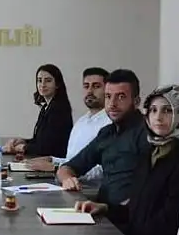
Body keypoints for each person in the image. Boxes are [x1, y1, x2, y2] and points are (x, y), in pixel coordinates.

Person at [76, 85, 179, 235]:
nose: (158, 117)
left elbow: (171, 222)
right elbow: (137, 208)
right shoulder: (151, 152)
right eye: (153, 110)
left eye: (167, 111)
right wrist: (105, 208)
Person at [55, 69, 149, 205]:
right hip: (100, 210)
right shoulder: (106, 133)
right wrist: (67, 179)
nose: (112, 104)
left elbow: (150, 190)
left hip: (126, 214)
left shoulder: (146, 133)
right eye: (108, 96)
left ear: (136, 101)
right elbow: (68, 167)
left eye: (121, 97)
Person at [27, 67, 111, 184]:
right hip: (69, 184)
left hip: (91, 190)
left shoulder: (110, 123)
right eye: (86, 86)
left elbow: (102, 170)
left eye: (96, 86)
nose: (90, 91)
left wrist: (56, 168)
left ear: (108, 90)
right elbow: (72, 161)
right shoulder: (82, 121)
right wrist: (52, 159)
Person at [3, 64, 73, 157]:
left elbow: (47, 148)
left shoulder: (59, 109)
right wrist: (23, 141)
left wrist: (22, 148)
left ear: (57, 84)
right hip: (43, 159)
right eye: (39, 80)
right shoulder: (46, 107)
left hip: (54, 162)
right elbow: (40, 141)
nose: (43, 85)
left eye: (48, 81)